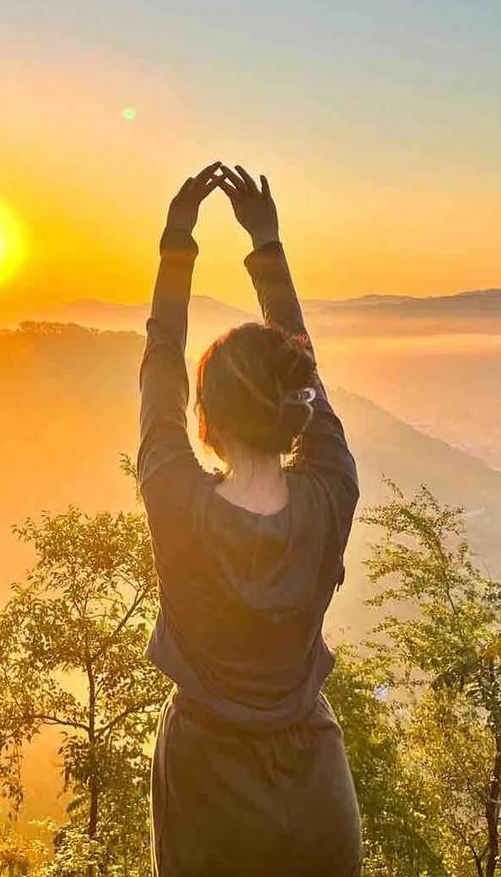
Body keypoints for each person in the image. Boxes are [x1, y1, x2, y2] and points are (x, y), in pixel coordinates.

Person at [138, 162, 362, 876]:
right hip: (314, 782)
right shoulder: (331, 491)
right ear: (292, 407)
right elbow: (303, 361)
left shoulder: (177, 500)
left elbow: (160, 361)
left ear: (206, 422)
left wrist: (180, 241)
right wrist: (265, 244)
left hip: (207, 782)